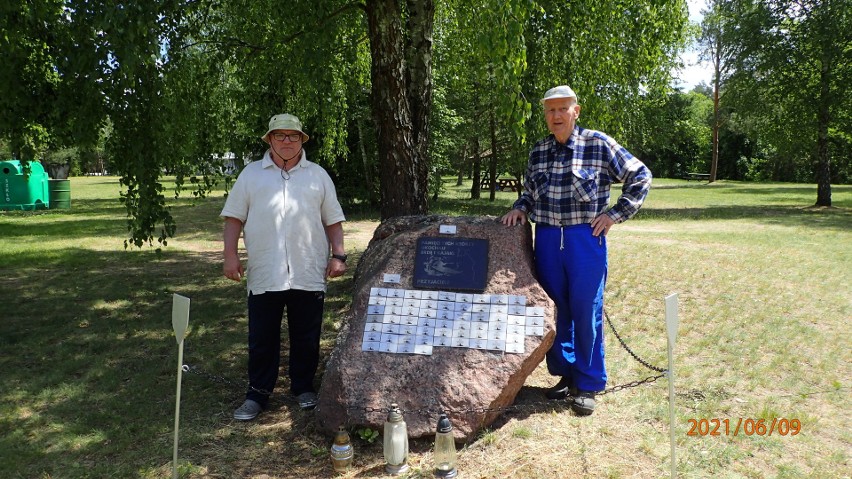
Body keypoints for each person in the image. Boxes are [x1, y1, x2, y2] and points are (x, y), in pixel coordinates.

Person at [500, 86, 651, 416]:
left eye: (562, 109)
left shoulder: (598, 144)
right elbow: (530, 193)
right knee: (556, 310)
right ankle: (566, 375)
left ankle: (589, 382)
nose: (555, 116)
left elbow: (640, 175)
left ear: (575, 111)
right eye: (550, 110)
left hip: (585, 238)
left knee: (586, 310)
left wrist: (615, 213)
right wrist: (520, 208)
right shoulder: (540, 150)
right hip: (549, 239)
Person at [221, 113, 347, 421]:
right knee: (262, 337)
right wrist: (230, 256)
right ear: (269, 139)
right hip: (266, 271)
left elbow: (333, 220)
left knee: (307, 335)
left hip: (308, 269)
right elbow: (233, 218)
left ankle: (303, 387)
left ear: (302, 140)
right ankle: (258, 395)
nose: (287, 141)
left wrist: (338, 255)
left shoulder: (318, 175)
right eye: (280, 135)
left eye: (293, 136)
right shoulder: (251, 175)